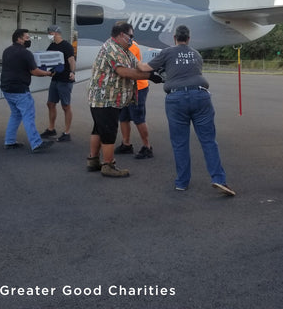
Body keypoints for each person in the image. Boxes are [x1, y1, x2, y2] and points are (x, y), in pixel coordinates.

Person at [137, 25, 235, 196]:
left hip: (176, 98)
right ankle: (219, 179)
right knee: (209, 141)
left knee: (180, 142)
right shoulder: (196, 54)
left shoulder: (167, 52)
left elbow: (146, 69)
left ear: (175, 38)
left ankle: (182, 182)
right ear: (189, 39)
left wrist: (137, 62)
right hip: (201, 96)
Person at [87, 21, 162, 177]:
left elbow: (139, 65)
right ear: (121, 34)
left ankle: (93, 160)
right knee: (108, 132)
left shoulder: (124, 49)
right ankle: (109, 165)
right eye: (130, 36)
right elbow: (125, 72)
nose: (132, 40)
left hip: (105, 99)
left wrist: (156, 69)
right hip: (106, 98)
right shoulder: (112, 49)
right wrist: (150, 76)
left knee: (99, 129)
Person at [0, 29, 54, 152]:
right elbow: (34, 71)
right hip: (19, 89)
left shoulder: (7, 51)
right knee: (28, 115)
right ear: (19, 39)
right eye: (27, 38)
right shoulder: (25, 53)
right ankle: (36, 143)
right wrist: (48, 73)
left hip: (6, 88)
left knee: (16, 114)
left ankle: (9, 141)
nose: (29, 40)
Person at [114, 40, 153, 159]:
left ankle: (147, 147)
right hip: (125, 87)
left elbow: (125, 68)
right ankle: (126, 144)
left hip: (137, 87)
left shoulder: (130, 47)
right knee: (123, 117)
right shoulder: (122, 45)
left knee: (138, 118)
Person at [40, 25, 76, 142]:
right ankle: (51, 128)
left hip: (65, 79)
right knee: (50, 103)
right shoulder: (52, 45)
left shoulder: (66, 46)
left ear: (55, 33)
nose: (49, 35)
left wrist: (72, 72)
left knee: (66, 106)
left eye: (50, 33)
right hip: (55, 78)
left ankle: (67, 132)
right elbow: (47, 59)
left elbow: (71, 60)